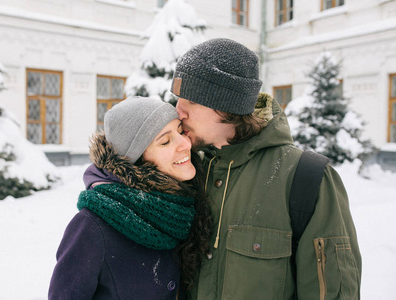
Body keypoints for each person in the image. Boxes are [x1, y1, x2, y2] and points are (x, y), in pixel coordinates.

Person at [170, 38, 362, 300]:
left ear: (228, 104)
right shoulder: (187, 171)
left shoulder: (306, 179)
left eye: (191, 100)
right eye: (178, 98)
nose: (178, 110)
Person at [48, 96, 212, 299]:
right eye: (165, 141)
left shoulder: (187, 209)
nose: (185, 144)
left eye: (180, 131)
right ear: (136, 161)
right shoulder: (92, 227)